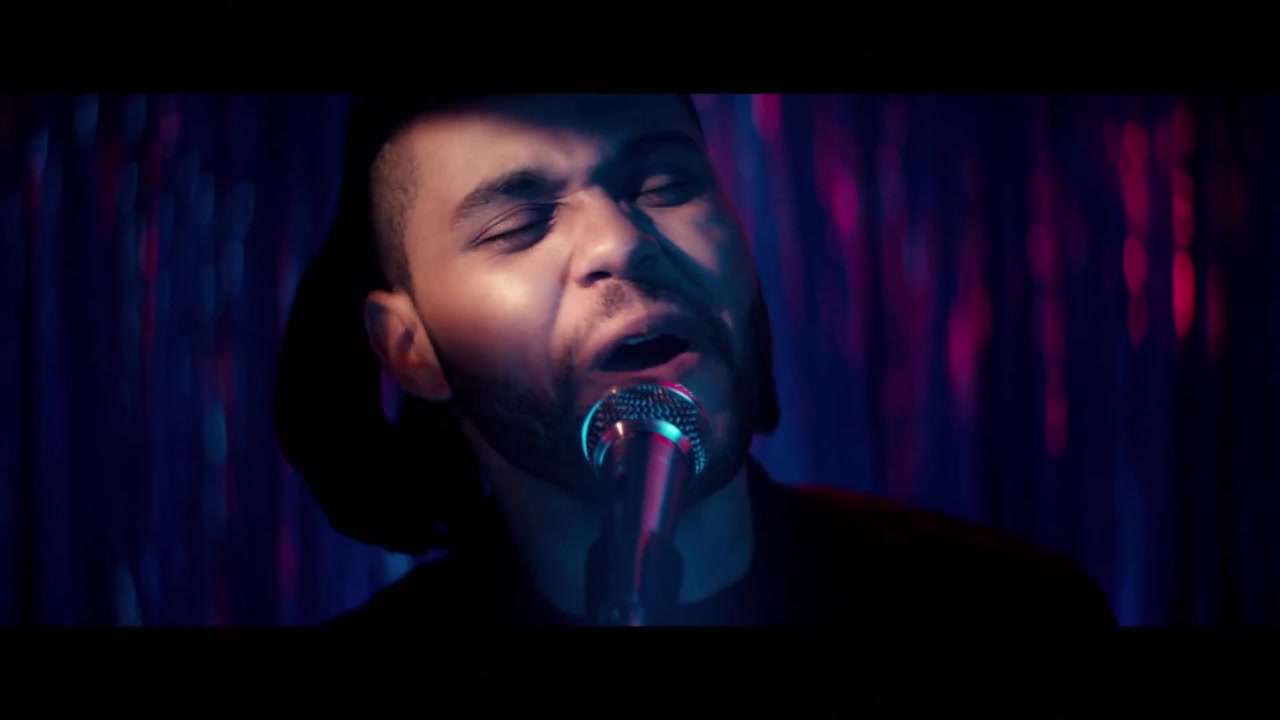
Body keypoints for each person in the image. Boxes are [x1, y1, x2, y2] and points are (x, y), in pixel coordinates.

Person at [274, 93, 1117, 627]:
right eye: (519, 225)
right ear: (409, 348)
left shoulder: (1011, 610)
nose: (622, 242)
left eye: (665, 184)